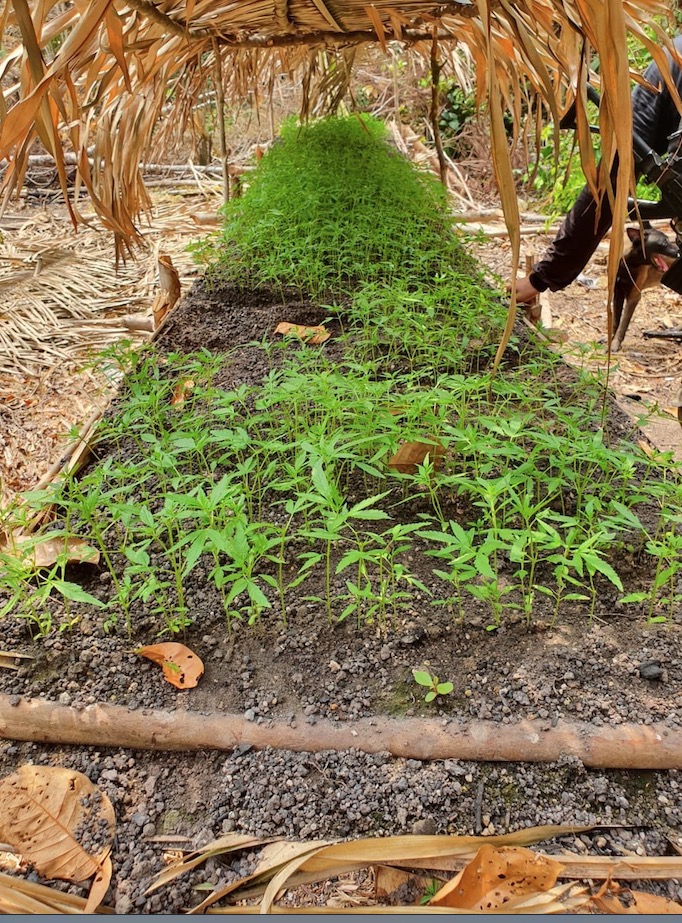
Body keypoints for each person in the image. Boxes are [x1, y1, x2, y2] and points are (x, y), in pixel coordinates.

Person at [515, 34, 682, 304]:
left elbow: (608, 187)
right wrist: (543, 277)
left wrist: (542, 278)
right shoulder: (673, 61)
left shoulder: (672, 59)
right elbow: (611, 182)